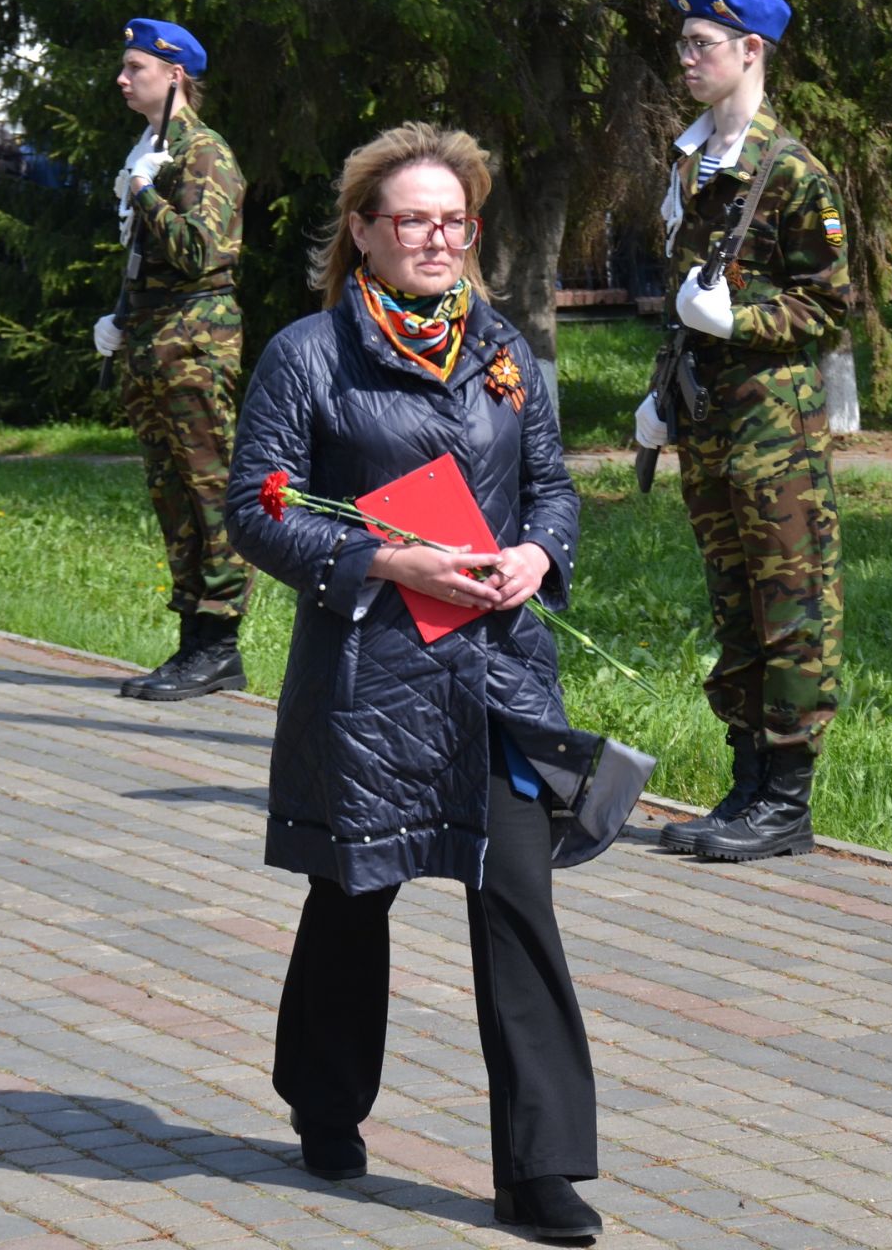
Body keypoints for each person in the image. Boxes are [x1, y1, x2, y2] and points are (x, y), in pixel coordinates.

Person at [224, 121, 654, 1242]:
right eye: (411, 218)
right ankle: (324, 1101)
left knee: (518, 903)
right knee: (352, 895)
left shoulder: (502, 349)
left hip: (499, 678)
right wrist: (381, 558)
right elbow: (257, 507)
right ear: (362, 231)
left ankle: (542, 1168)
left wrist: (539, 554)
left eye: (453, 221)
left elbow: (553, 485)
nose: (435, 238)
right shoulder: (306, 354)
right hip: (372, 680)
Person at [639, 0, 850, 862]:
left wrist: (741, 323)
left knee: (790, 607)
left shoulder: (793, 172)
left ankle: (789, 801)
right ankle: (748, 784)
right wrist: (662, 393)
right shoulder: (693, 163)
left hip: (776, 432)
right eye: (683, 44)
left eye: (702, 45)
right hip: (707, 421)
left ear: (750, 52)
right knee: (734, 605)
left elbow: (830, 308)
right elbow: (684, 297)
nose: (686, 59)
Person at [91, 19, 252, 700]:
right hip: (155, 339)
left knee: (207, 490)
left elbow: (199, 252)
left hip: (193, 343)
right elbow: (149, 259)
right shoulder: (149, 148)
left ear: (175, 74)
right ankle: (193, 640)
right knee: (170, 491)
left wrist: (144, 195)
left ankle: (218, 643)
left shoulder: (203, 153)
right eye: (124, 67)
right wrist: (120, 317)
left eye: (136, 68)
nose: (123, 79)